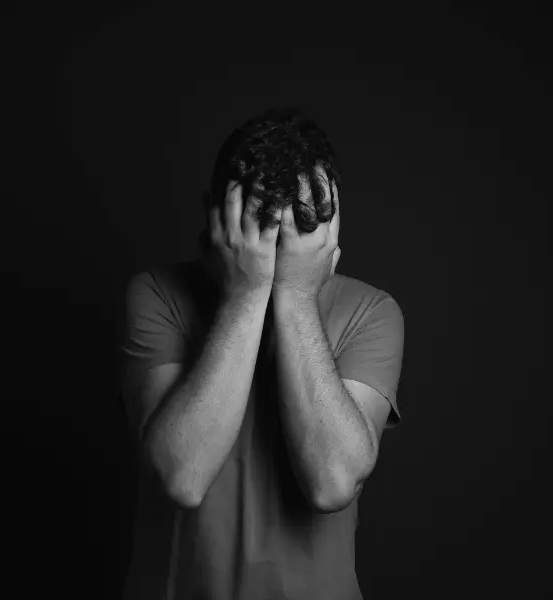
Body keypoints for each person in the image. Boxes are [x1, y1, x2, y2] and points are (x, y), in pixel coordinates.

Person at [117, 107, 405, 600]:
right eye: (260, 224)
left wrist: (295, 296)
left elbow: (332, 481)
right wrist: (246, 295)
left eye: (296, 227)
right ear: (216, 218)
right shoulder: (156, 295)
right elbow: (182, 476)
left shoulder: (372, 311)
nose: (274, 246)